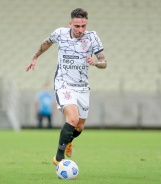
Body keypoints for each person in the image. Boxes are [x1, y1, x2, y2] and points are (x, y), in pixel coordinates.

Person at [26, 8, 107, 165]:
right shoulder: (60, 33)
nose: (80, 29)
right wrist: (35, 57)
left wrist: (95, 62)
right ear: (70, 24)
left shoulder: (92, 37)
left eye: (83, 26)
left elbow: (104, 63)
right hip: (64, 83)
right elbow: (46, 43)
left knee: (80, 126)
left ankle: (69, 141)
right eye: (77, 26)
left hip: (82, 87)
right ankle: (58, 158)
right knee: (73, 119)